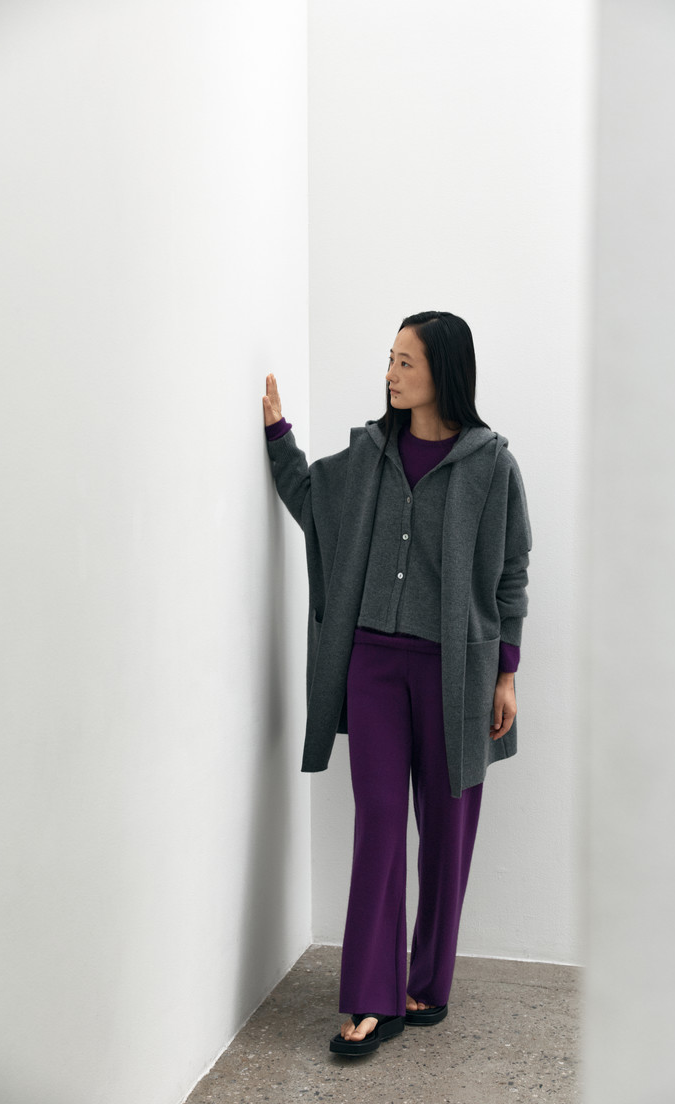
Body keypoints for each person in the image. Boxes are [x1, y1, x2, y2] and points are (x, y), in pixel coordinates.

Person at [262, 311, 531, 1056]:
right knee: (379, 822)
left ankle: (428, 982)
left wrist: (507, 673)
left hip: (457, 670)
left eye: (405, 362)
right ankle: (371, 997)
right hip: (373, 665)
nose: (390, 374)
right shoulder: (369, 455)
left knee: (446, 827)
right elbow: (313, 502)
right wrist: (279, 437)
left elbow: (511, 570)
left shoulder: (491, 463)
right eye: (390, 359)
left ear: (444, 370)